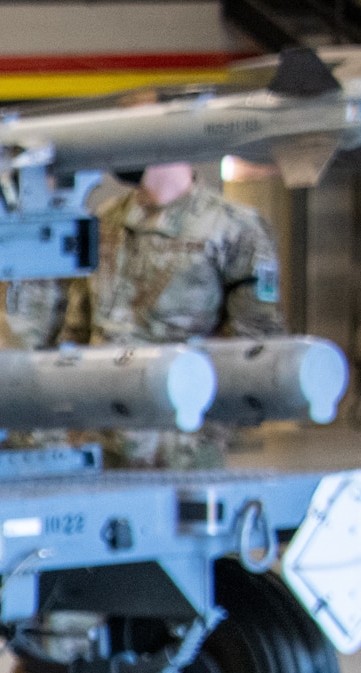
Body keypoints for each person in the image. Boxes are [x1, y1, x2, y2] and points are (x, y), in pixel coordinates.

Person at [62, 162, 283, 469]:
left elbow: (257, 343)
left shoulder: (234, 227)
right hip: (102, 441)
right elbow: (76, 329)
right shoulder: (104, 222)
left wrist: (214, 426)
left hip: (183, 444)